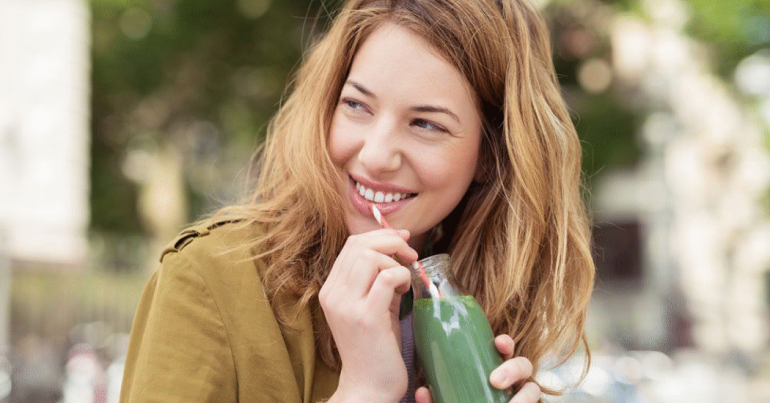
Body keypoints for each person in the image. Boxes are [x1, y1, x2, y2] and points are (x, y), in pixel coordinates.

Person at [119, 0, 595, 402]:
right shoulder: (209, 280)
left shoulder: (480, 318)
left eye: (425, 124)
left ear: (492, 155)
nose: (375, 154)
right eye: (357, 105)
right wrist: (362, 391)